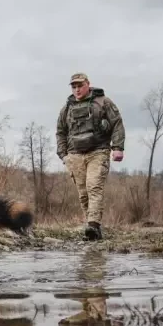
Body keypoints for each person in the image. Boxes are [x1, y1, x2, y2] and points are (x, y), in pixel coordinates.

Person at [56, 73, 125, 241]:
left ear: (88, 84)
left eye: (80, 85)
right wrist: (63, 155)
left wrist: (117, 148)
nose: (77, 89)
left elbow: (117, 123)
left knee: (94, 186)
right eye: (74, 86)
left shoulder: (103, 102)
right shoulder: (67, 108)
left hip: (98, 152)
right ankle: (93, 229)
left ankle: (93, 224)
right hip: (75, 155)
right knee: (83, 193)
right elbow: (60, 132)